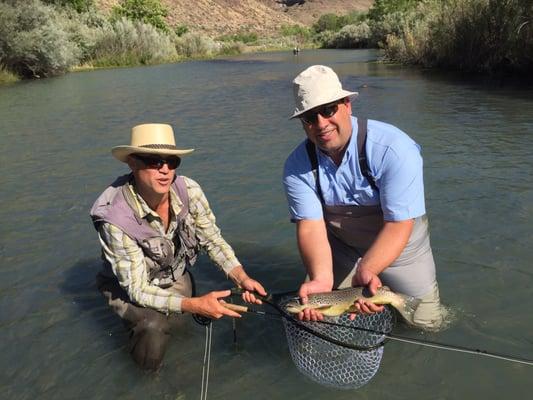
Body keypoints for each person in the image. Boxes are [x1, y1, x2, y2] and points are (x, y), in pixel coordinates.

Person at [282, 65, 446, 330]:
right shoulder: (296, 166)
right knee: (326, 321)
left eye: (328, 110)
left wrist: (366, 271)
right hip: (343, 247)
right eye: (310, 118)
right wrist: (321, 279)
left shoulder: (394, 149)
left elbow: (398, 224)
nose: (321, 124)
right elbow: (311, 226)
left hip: (403, 246)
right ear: (303, 123)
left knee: (427, 324)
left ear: (347, 105)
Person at [90, 123, 266, 370]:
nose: (165, 170)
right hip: (126, 285)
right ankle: (147, 375)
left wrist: (241, 276)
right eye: (154, 161)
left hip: (170, 273)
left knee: (181, 325)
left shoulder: (189, 191)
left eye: (171, 162)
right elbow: (137, 289)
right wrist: (194, 304)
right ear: (132, 162)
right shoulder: (114, 218)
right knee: (153, 327)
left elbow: (212, 239)